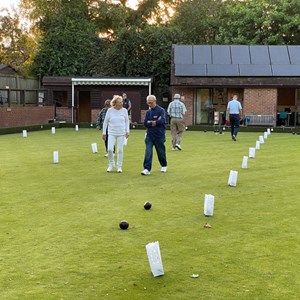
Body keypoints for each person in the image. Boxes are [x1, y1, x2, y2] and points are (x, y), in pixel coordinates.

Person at [102, 95, 129, 173]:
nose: (121, 104)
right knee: (110, 149)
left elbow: (127, 121)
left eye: (121, 102)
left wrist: (127, 131)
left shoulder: (124, 111)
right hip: (111, 133)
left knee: (120, 150)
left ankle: (119, 166)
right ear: (115, 103)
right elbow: (105, 122)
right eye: (119, 102)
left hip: (121, 133)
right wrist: (104, 133)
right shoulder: (110, 110)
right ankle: (111, 164)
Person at [141, 95, 167, 175]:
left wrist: (154, 122)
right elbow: (145, 123)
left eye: (151, 103)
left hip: (159, 135)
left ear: (155, 101)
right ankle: (147, 169)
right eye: (148, 103)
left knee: (160, 151)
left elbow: (162, 121)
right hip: (149, 135)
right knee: (148, 151)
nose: (149, 105)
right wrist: (153, 122)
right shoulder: (148, 112)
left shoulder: (161, 110)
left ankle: (164, 165)